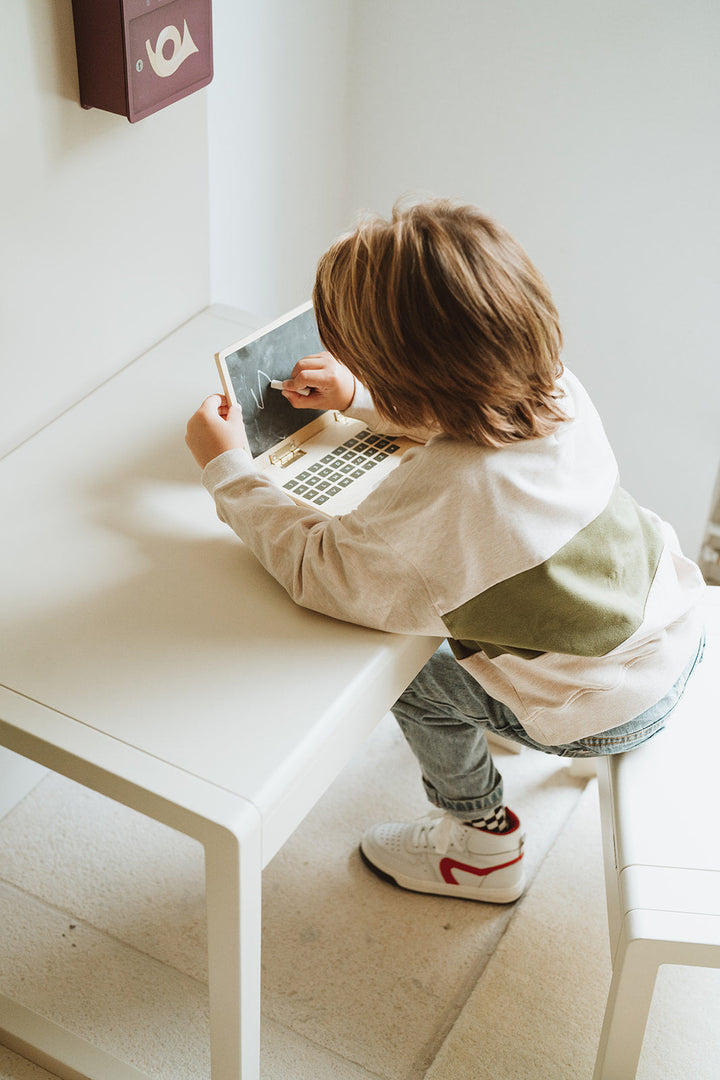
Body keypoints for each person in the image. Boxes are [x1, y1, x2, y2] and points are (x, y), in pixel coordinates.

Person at [186, 199, 705, 904]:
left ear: (409, 372)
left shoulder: (449, 496)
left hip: (605, 712)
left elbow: (319, 570)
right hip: (672, 626)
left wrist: (228, 470)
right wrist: (362, 396)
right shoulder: (555, 388)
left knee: (406, 674)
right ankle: (513, 743)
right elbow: (457, 411)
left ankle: (479, 841)